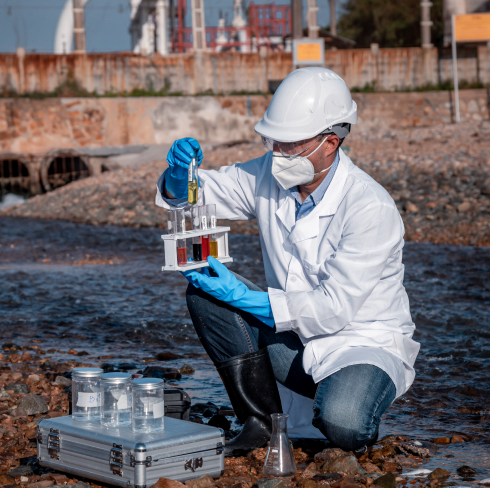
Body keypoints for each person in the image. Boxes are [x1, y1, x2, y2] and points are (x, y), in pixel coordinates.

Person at [155, 67, 420, 456]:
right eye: (273, 142)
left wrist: (245, 298)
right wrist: (181, 176)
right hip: (295, 341)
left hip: (361, 344)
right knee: (207, 296)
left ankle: (347, 398)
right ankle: (261, 422)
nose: (277, 154)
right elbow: (198, 195)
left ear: (330, 142)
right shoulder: (269, 173)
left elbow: (333, 309)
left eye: (290, 144)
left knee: (345, 423)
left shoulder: (370, 207)